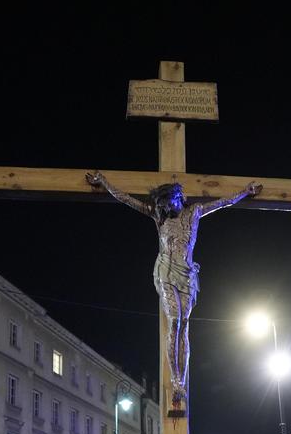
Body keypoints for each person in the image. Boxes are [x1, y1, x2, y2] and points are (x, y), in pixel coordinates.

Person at [86, 171, 259, 402]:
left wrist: (245, 192)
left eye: (172, 202)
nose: (170, 207)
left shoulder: (194, 213)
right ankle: (176, 381)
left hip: (187, 276)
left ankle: (182, 380)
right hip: (166, 272)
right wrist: (104, 183)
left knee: (184, 325)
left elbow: (223, 202)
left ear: (180, 197)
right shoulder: (160, 218)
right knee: (175, 322)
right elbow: (126, 199)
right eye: (166, 204)